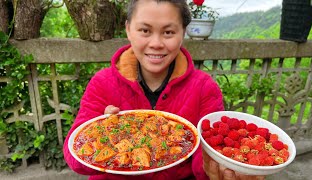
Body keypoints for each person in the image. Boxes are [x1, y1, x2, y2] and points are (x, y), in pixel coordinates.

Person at [63, 0, 264, 180]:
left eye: (168, 32)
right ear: (128, 29)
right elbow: (74, 157)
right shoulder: (102, 82)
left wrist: (219, 168)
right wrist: (100, 131)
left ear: (183, 32)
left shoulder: (205, 88)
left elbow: (202, 161)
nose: (156, 44)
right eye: (145, 31)